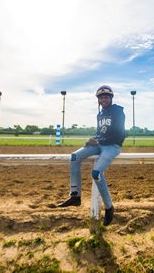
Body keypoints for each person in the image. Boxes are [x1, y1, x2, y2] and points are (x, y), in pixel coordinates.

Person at [56, 85, 125, 226]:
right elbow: (101, 133)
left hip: (112, 146)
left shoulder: (117, 111)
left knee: (96, 173)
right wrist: (92, 139)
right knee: (74, 157)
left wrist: (98, 140)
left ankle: (109, 207)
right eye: (101, 97)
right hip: (100, 144)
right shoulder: (99, 115)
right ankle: (75, 196)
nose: (103, 99)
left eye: (106, 96)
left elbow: (119, 135)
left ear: (111, 98)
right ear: (98, 100)